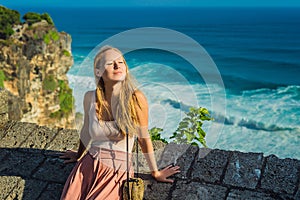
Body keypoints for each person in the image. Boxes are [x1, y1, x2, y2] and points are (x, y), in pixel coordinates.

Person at [60, 46, 180, 200]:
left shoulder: (135, 98)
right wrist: (78, 155)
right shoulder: (89, 97)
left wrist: (155, 172)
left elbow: (144, 138)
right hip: (88, 166)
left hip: (117, 169)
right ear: (98, 72)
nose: (117, 66)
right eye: (110, 63)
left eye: (121, 62)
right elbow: (85, 130)